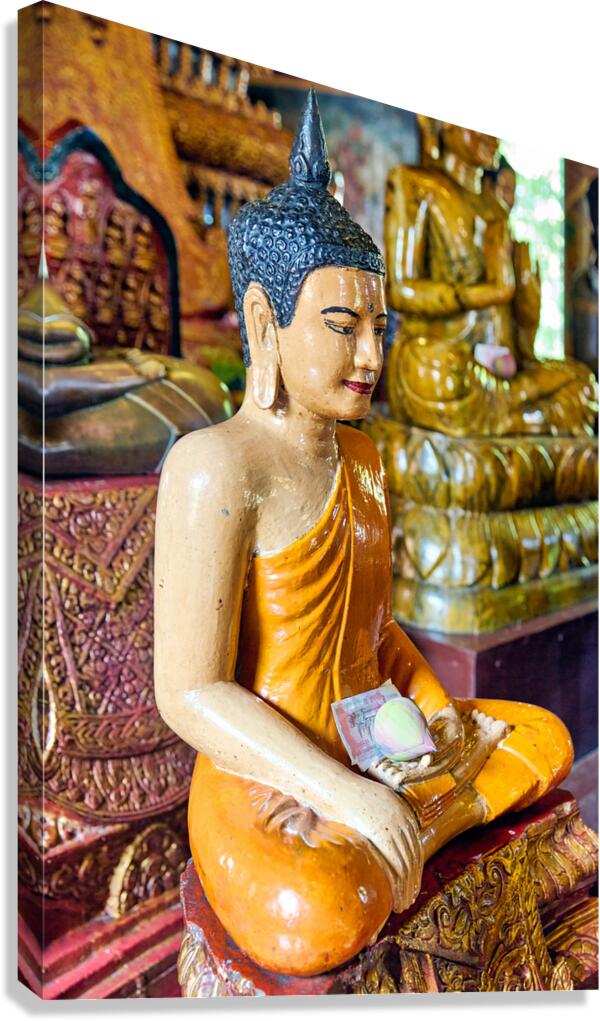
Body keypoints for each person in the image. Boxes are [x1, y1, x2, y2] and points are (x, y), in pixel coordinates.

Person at [154, 92, 573, 977]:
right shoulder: (214, 465)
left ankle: (403, 819)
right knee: (320, 911)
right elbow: (189, 692)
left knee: (541, 737)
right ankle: (392, 823)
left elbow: (374, 633)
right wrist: (335, 789)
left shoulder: (367, 455)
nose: (372, 357)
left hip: (376, 739)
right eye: (343, 327)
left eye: (379, 327)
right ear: (267, 324)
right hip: (267, 777)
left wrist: (428, 711)